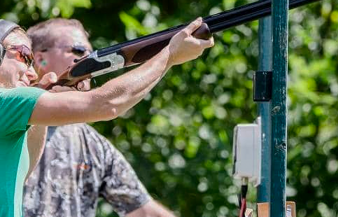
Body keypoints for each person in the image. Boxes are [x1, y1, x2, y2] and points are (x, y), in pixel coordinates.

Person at [0, 17, 213, 217]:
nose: (32, 73)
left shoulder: (17, 119)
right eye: (24, 56)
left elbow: (22, 174)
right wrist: (170, 54)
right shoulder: (6, 102)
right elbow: (106, 104)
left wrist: (45, 96)